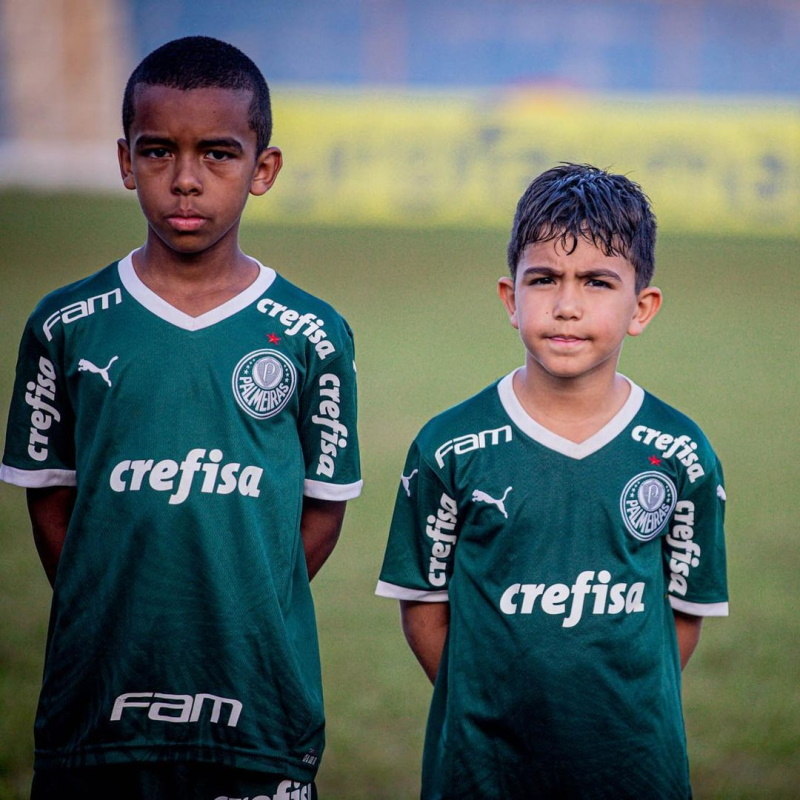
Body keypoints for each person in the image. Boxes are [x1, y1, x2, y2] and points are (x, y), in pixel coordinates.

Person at [1, 36, 361, 800]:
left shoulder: (311, 332)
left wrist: (244, 598)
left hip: (258, 698)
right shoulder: (66, 325)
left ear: (263, 170)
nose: (187, 180)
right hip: (98, 701)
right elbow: (52, 502)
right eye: (160, 152)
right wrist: (115, 603)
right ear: (126, 160)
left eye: (219, 155)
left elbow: (322, 513)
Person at [376, 163, 728, 799]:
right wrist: (489, 704)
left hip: (632, 766)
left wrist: (607, 711)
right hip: (482, 766)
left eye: (597, 282)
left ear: (641, 307)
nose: (567, 305)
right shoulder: (449, 446)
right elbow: (423, 607)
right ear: (512, 299)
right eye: (545, 279)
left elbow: (682, 617)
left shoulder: (681, 453)